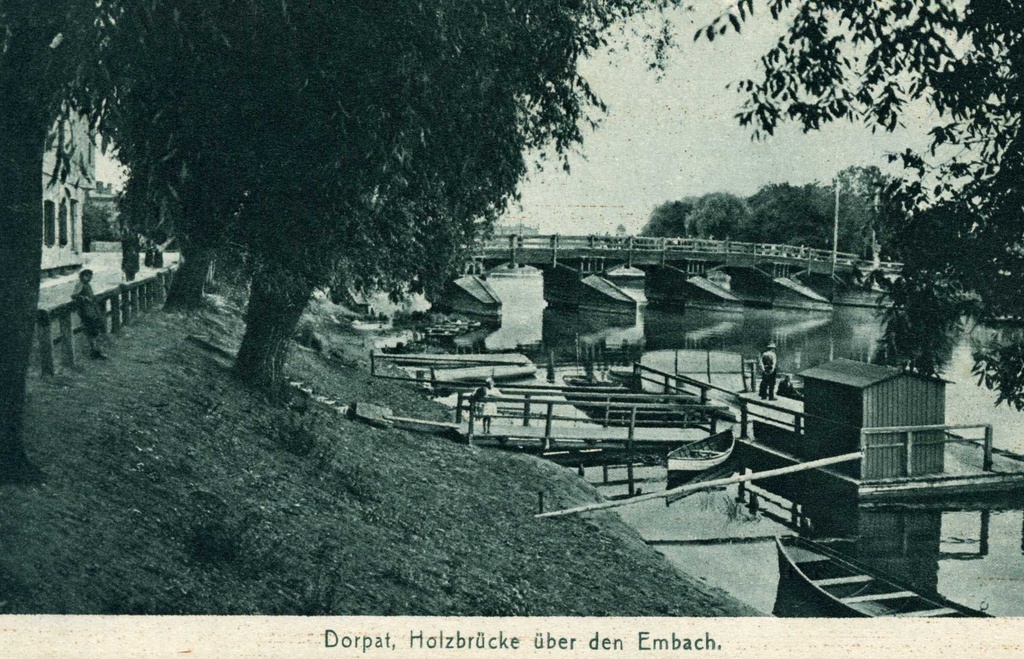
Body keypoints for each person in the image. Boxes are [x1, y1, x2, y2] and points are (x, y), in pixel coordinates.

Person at [71, 269, 107, 359]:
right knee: (92, 331)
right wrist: (83, 298)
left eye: (90, 277)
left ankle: (96, 351)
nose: (89, 278)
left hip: (91, 310)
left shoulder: (87, 284)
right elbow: (74, 295)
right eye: (87, 276)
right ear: (82, 276)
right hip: (86, 311)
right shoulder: (80, 284)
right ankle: (95, 351)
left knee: (95, 331)